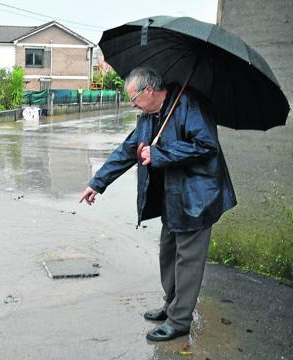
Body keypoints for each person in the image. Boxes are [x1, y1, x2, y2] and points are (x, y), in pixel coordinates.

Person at [79, 67, 236, 341]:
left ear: (149, 90)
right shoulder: (149, 117)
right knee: (168, 252)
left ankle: (179, 320)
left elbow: (207, 145)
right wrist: (97, 183)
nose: (132, 104)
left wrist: (161, 153)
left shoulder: (190, 103)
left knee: (188, 260)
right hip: (171, 198)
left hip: (197, 198)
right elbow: (127, 150)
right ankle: (171, 304)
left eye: (134, 98)